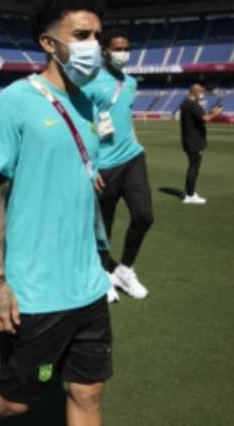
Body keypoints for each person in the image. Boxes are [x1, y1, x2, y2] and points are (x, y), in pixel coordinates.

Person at [0, 0, 113, 426]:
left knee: (88, 391)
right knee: (15, 401)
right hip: (36, 290)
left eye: (97, 36)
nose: (93, 46)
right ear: (48, 42)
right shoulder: (15, 101)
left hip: (88, 285)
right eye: (81, 36)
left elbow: (75, 166)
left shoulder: (89, 104)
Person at [85, 29, 153, 302]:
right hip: (104, 166)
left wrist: (137, 144)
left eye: (126, 48)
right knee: (104, 227)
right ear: (104, 51)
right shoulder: (90, 83)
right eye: (117, 48)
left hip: (133, 159)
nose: (122, 53)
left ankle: (125, 269)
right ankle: (102, 275)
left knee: (144, 216)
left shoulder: (131, 82)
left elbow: (127, 117)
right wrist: (90, 167)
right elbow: (82, 127)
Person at [179, 84, 223, 204]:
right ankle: (190, 195)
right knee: (194, 167)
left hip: (189, 141)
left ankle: (189, 191)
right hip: (194, 142)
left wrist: (210, 112)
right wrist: (216, 113)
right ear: (195, 92)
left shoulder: (186, 103)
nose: (202, 95)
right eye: (201, 93)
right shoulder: (192, 104)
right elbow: (206, 119)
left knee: (192, 167)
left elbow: (200, 117)